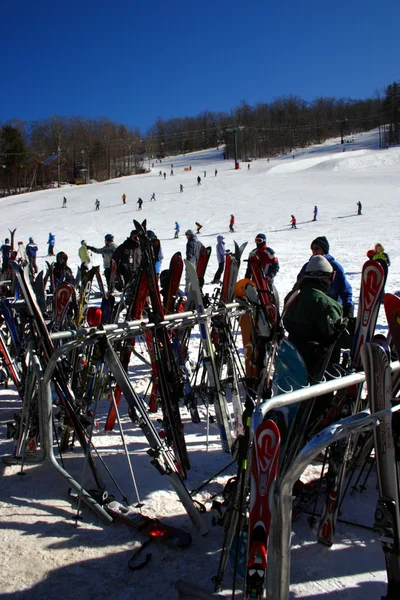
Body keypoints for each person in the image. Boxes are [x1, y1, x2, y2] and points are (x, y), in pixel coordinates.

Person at [283, 255, 343, 378]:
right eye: (331, 277)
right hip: (318, 369)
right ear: (323, 278)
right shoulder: (325, 304)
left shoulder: (292, 296)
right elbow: (336, 337)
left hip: (293, 362)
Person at [296, 236, 354, 317]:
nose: (314, 251)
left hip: (330, 308)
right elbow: (298, 285)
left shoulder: (335, 267)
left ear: (324, 249)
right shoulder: (307, 266)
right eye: (312, 248)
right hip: (310, 308)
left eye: (317, 248)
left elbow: (344, 289)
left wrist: (348, 309)